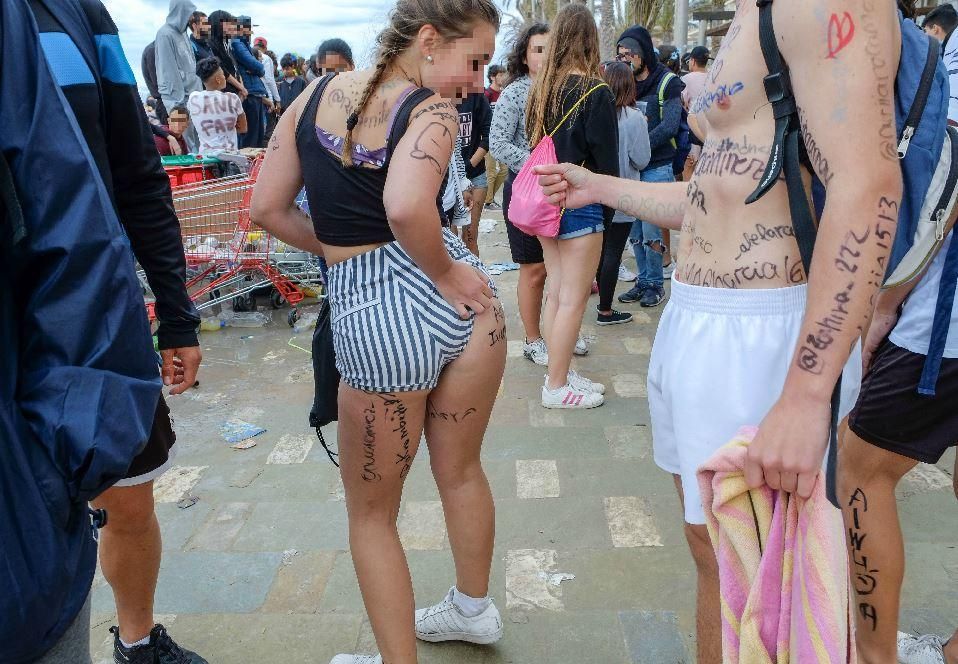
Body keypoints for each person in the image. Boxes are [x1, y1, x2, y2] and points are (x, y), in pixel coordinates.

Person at [534, 0, 900, 659]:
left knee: (784, 578)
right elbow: (713, 200)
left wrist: (808, 393)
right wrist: (602, 187)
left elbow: (870, 185)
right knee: (716, 554)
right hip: (698, 321)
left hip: (768, 334)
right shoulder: (755, 12)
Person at [250, 0, 504, 661]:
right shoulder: (428, 109)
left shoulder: (306, 99)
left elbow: (266, 209)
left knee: (371, 516)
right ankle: (473, 611)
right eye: (474, 60)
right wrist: (447, 272)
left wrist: (336, 247)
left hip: (377, 318)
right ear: (427, 40)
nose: (478, 79)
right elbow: (408, 207)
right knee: (463, 470)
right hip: (468, 308)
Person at [9, 2, 205, 663]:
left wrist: (177, 314)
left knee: (127, 499)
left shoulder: (75, 15)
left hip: (85, 327)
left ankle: (137, 638)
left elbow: (136, 171)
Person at [526, 3, 617, 410]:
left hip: (545, 202)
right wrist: (611, 209)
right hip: (580, 203)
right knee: (572, 298)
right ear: (590, 39)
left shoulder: (543, 89)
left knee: (557, 293)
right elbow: (607, 163)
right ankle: (557, 386)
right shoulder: (595, 91)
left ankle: (557, 372)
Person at [489, 21, 551, 366]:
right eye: (537, 49)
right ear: (524, 57)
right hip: (526, 192)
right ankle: (532, 338)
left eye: (549, 48)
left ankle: (560, 331)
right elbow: (497, 142)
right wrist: (539, 164)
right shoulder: (514, 93)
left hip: (561, 191)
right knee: (534, 269)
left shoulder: (566, 88)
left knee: (562, 269)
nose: (544, 56)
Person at [615, 25, 684, 307]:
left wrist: (640, 148)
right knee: (634, 230)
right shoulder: (625, 82)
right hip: (632, 170)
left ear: (643, 52)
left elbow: (669, 125)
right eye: (620, 55)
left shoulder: (667, 82)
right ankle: (643, 280)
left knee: (652, 230)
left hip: (657, 167)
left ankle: (656, 284)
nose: (625, 60)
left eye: (630, 54)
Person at [596, 61, 649, 327]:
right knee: (613, 253)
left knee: (598, 251)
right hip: (623, 194)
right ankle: (605, 310)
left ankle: (594, 301)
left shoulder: (595, 112)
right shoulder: (635, 118)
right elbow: (641, 159)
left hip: (595, 193)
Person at [154, 0, 202, 130]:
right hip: (177, 98)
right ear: (181, 12)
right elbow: (168, 70)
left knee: (196, 141)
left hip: (193, 96)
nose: (192, 17)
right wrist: (178, 103)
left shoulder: (183, 33)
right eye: (190, 13)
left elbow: (191, 64)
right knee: (185, 140)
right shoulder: (165, 34)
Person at [456, 91, 492, 256]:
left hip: (475, 174)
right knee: (449, 239)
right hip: (446, 180)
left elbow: (489, 135)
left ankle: (476, 278)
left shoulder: (476, 96)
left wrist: (470, 165)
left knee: (470, 236)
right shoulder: (432, 94)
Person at [190, 56, 247, 154]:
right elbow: (243, 128)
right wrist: (227, 128)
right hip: (230, 156)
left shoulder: (193, 98)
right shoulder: (233, 98)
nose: (225, 77)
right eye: (223, 75)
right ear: (218, 79)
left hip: (206, 157)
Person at [232, 16, 268, 148]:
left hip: (254, 93)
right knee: (250, 138)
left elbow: (258, 69)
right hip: (250, 94)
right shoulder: (237, 43)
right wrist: (258, 68)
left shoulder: (243, 44)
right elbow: (259, 67)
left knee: (257, 137)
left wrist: (258, 69)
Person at [923, 4, 958, 127]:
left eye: (925, 31)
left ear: (935, 29)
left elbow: (953, 103)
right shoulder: (950, 45)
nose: (924, 38)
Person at [483, 64, 508, 210]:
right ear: (492, 77)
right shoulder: (487, 95)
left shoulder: (504, 94)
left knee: (504, 171)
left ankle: (489, 198)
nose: (503, 78)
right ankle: (488, 201)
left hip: (503, 138)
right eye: (500, 75)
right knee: (491, 171)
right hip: (490, 138)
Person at [208, 10, 248, 99]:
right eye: (228, 23)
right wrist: (240, 87)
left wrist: (242, 87)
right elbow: (222, 70)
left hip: (235, 92)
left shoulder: (226, 44)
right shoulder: (211, 44)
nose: (232, 26)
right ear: (218, 24)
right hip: (224, 93)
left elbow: (235, 67)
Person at [142, 40, 168, 124]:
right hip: (165, 104)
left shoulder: (156, 49)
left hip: (166, 103)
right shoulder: (153, 50)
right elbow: (157, 82)